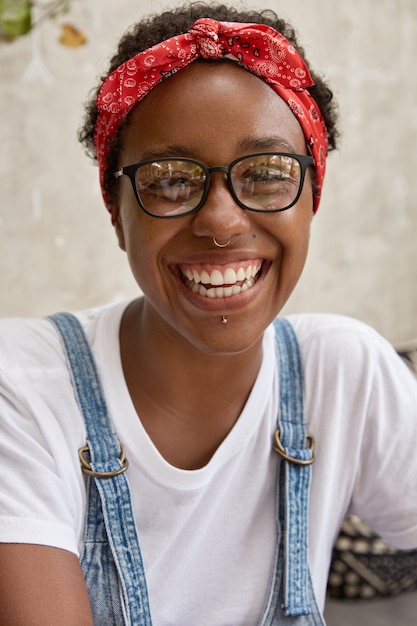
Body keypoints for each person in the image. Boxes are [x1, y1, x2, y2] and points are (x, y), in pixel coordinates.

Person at [0, 2, 416, 625]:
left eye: (269, 173)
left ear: (312, 197)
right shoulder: (25, 389)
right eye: (169, 179)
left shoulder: (343, 372)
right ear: (117, 213)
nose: (221, 221)